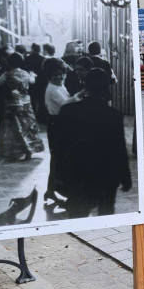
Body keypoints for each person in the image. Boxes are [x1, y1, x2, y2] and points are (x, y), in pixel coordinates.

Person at [56, 69, 132, 218]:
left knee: (77, 215)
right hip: (106, 175)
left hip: (77, 174)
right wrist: (125, 177)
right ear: (106, 88)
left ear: (86, 86)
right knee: (106, 213)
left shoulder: (67, 111)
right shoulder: (113, 116)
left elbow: (60, 148)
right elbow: (119, 149)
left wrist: (59, 176)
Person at [0, 52, 44, 161]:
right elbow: (32, 81)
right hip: (26, 102)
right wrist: (33, 76)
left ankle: (15, 151)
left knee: (15, 128)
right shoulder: (25, 73)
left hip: (13, 103)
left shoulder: (7, 74)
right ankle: (30, 150)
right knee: (28, 126)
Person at [42, 57, 79, 208]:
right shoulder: (52, 89)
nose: (59, 77)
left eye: (61, 73)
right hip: (57, 125)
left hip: (61, 124)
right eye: (55, 74)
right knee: (59, 159)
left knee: (58, 160)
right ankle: (59, 190)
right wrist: (79, 96)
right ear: (49, 76)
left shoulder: (59, 85)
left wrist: (65, 69)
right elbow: (65, 103)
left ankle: (51, 190)